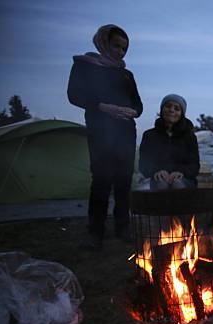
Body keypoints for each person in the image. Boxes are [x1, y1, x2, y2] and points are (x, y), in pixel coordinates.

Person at [67, 24, 143, 250]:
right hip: (100, 131)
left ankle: (123, 226)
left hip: (125, 132)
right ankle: (96, 231)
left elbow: (138, 104)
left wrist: (134, 112)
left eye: (124, 49)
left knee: (123, 181)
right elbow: (74, 95)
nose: (120, 51)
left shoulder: (126, 74)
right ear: (103, 43)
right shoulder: (85, 65)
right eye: (116, 46)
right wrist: (102, 107)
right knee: (101, 181)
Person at [139, 94, 200, 190]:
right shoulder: (149, 135)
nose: (172, 110)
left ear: (182, 113)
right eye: (168, 106)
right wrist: (157, 171)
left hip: (184, 178)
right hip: (157, 178)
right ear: (162, 109)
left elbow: (194, 165)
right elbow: (143, 163)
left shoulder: (189, 137)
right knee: (161, 184)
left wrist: (181, 172)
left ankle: (182, 205)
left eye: (177, 108)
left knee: (177, 184)